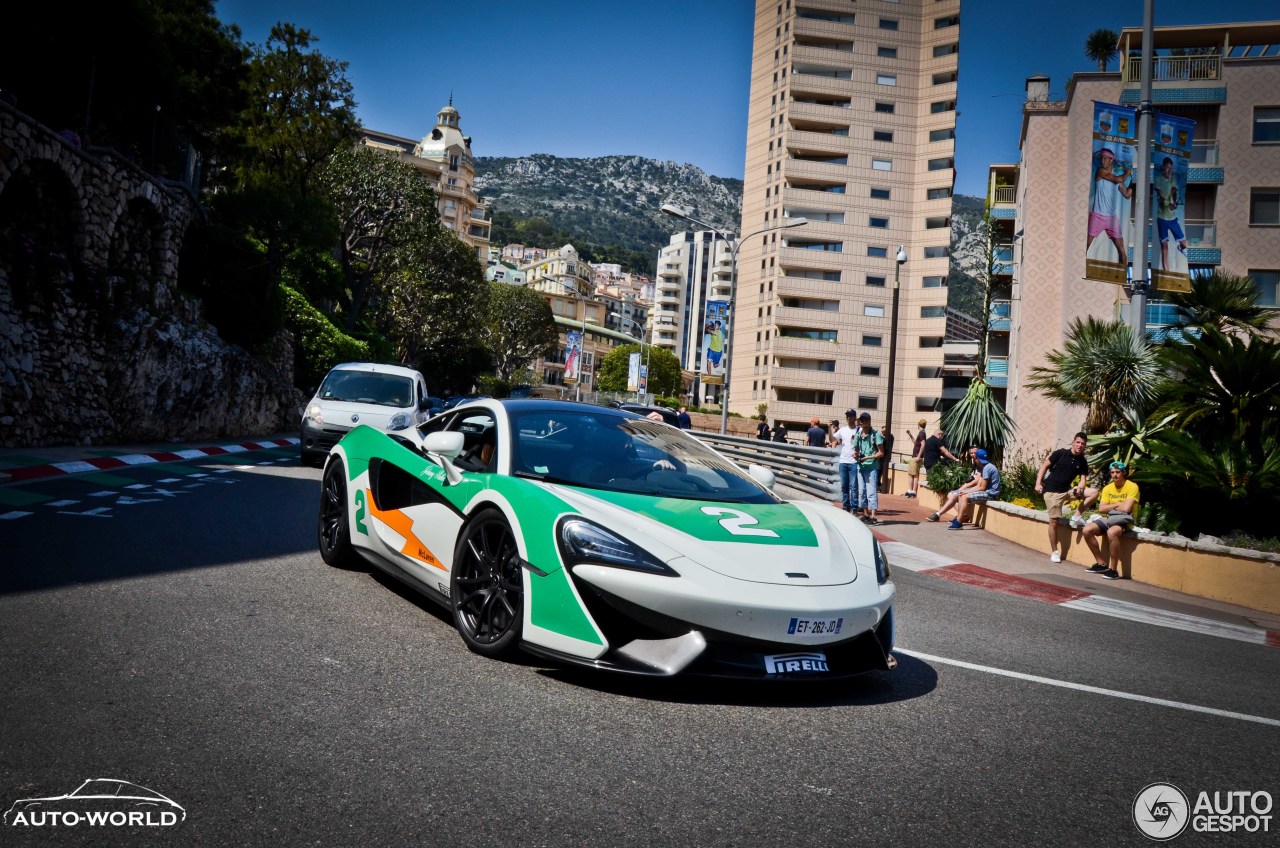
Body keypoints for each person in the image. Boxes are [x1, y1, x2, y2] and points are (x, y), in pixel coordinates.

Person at [1035, 432, 1091, 563]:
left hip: (1067, 491)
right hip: (1052, 492)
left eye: (1083, 444)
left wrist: (1080, 488)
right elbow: (1044, 466)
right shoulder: (1060, 453)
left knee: (1093, 493)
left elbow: (1083, 479)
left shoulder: (1082, 461)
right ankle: (1055, 552)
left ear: (1085, 446)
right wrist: (1038, 483)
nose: (1080, 445)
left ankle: (1076, 517)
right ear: (1073, 442)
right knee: (1054, 522)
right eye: (1078, 442)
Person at [1080, 461, 1140, 580]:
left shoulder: (1132, 486)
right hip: (1110, 518)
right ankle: (1101, 564)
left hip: (1125, 520)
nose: (1115, 475)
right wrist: (1118, 504)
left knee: (1112, 532)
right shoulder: (1108, 488)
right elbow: (1101, 509)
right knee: (1087, 530)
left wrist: (1111, 506)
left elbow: (1127, 508)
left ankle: (1113, 570)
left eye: (1118, 472)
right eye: (1112, 472)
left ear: (1124, 473)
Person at [928, 448, 1001, 529]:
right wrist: (964, 491)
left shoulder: (987, 468)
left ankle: (959, 522)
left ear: (978, 459)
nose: (974, 460)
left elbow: (982, 488)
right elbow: (979, 486)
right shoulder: (986, 467)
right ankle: (959, 518)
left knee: (965, 497)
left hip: (990, 494)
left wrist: (967, 493)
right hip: (986, 492)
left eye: (975, 458)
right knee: (961, 494)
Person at [1088, 147, 1134, 262]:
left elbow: (1127, 194)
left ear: (1111, 160)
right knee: (1084, 246)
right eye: (1103, 159)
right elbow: (1118, 179)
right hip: (1097, 216)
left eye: (1107, 159)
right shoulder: (1100, 171)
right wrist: (1127, 173)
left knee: (1121, 250)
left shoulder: (1117, 179)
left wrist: (1133, 179)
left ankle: (1122, 277)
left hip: (1112, 219)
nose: (1104, 161)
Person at [1153, 156, 1189, 269]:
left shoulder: (1172, 179)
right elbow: (1159, 193)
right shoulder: (1158, 178)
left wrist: (1175, 202)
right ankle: (1166, 272)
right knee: (1165, 248)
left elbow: (1174, 191)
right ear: (1163, 167)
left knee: (1184, 244)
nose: (1169, 170)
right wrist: (1166, 203)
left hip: (1172, 218)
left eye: (1171, 168)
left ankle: (1180, 249)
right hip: (1161, 218)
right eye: (1167, 168)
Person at [853, 412, 885, 524]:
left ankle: (873, 516)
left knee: (871, 491)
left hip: (872, 467)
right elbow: (856, 451)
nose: (864, 422)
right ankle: (866, 515)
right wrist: (855, 455)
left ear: (870, 421)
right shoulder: (858, 435)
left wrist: (868, 458)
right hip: (860, 467)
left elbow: (881, 453)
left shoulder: (876, 435)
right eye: (862, 420)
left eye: (866, 420)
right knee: (862, 491)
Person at [831, 409, 860, 512]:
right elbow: (833, 439)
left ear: (854, 417)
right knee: (844, 485)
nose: (848, 417)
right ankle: (846, 506)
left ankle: (854, 507)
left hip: (853, 462)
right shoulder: (843, 430)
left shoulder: (859, 430)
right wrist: (830, 429)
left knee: (853, 486)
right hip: (843, 461)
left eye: (850, 416)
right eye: (847, 416)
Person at [904, 419, 929, 498]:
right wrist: (910, 435)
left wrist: (918, 456)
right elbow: (916, 443)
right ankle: (911, 490)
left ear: (918, 424)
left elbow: (923, 444)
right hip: (916, 456)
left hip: (916, 456)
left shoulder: (922, 433)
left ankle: (912, 491)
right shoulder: (922, 433)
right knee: (913, 474)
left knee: (913, 474)